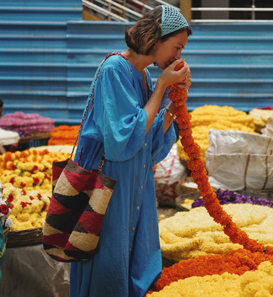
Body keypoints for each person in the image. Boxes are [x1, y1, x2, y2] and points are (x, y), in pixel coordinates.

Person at [70, 5, 192, 297]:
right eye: (176, 47)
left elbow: (146, 140)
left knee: (131, 253)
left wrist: (174, 107)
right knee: (108, 255)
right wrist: (162, 87)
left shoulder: (143, 77)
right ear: (156, 38)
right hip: (110, 183)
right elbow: (119, 141)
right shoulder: (115, 69)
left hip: (133, 179)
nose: (178, 56)